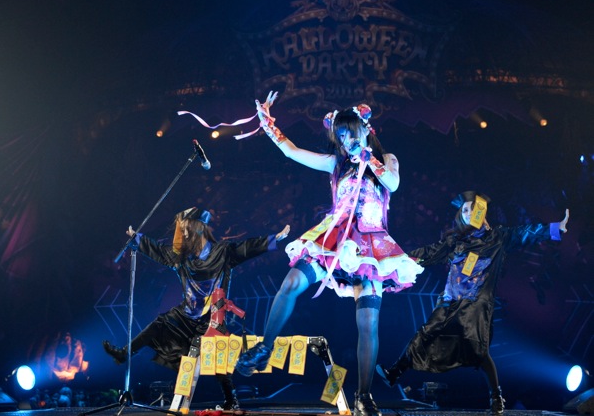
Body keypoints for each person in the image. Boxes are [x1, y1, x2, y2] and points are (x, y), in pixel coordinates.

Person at [234, 92, 424, 416]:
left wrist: (368, 157)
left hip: (370, 247)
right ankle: (264, 348)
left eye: (350, 133)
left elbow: (392, 183)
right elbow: (291, 151)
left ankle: (364, 396)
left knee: (368, 321)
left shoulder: (386, 158)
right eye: (341, 135)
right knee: (291, 282)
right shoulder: (337, 164)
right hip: (333, 239)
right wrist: (267, 123)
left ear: (364, 130)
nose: (346, 140)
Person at [375, 191, 570, 416]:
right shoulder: (455, 241)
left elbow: (525, 232)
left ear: (482, 212)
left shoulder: (497, 237)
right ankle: (394, 373)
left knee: (478, 351)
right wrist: (398, 260)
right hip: (450, 300)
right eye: (465, 210)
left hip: (476, 303)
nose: (469, 213)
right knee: (426, 332)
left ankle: (496, 397)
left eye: (473, 209)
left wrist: (555, 228)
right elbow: (429, 252)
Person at [103, 206, 291, 410]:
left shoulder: (222, 252)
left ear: (200, 228)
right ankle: (124, 353)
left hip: (212, 317)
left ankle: (231, 399)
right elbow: (158, 251)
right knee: (160, 324)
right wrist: (138, 239)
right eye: (182, 229)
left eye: (187, 228)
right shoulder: (181, 257)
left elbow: (246, 248)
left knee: (217, 356)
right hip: (186, 315)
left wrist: (275, 239)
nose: (184, 233)